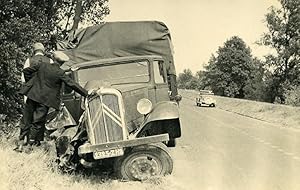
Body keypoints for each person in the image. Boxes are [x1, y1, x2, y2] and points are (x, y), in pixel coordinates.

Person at [15, 51, 88, 152]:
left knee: (26, 120)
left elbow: (26, 71)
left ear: (53, 59)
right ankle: (30, 146)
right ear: (62, 63)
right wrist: (86, 94)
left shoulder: (42, 65)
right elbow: (72, 84)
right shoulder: (60, 73)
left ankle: (20, 144)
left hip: (32, 95)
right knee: (37, 123)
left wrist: (32, 83)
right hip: (45, 100)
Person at [15, 42, 54, 151]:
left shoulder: (29, 60)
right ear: (43, 51)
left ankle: (21, 143)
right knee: (39, 120)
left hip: (30, 94)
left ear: (34, 51)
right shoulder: (50, 61)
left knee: (26, 119)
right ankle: (35, 143)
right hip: (43, 96)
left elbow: (23, 79)